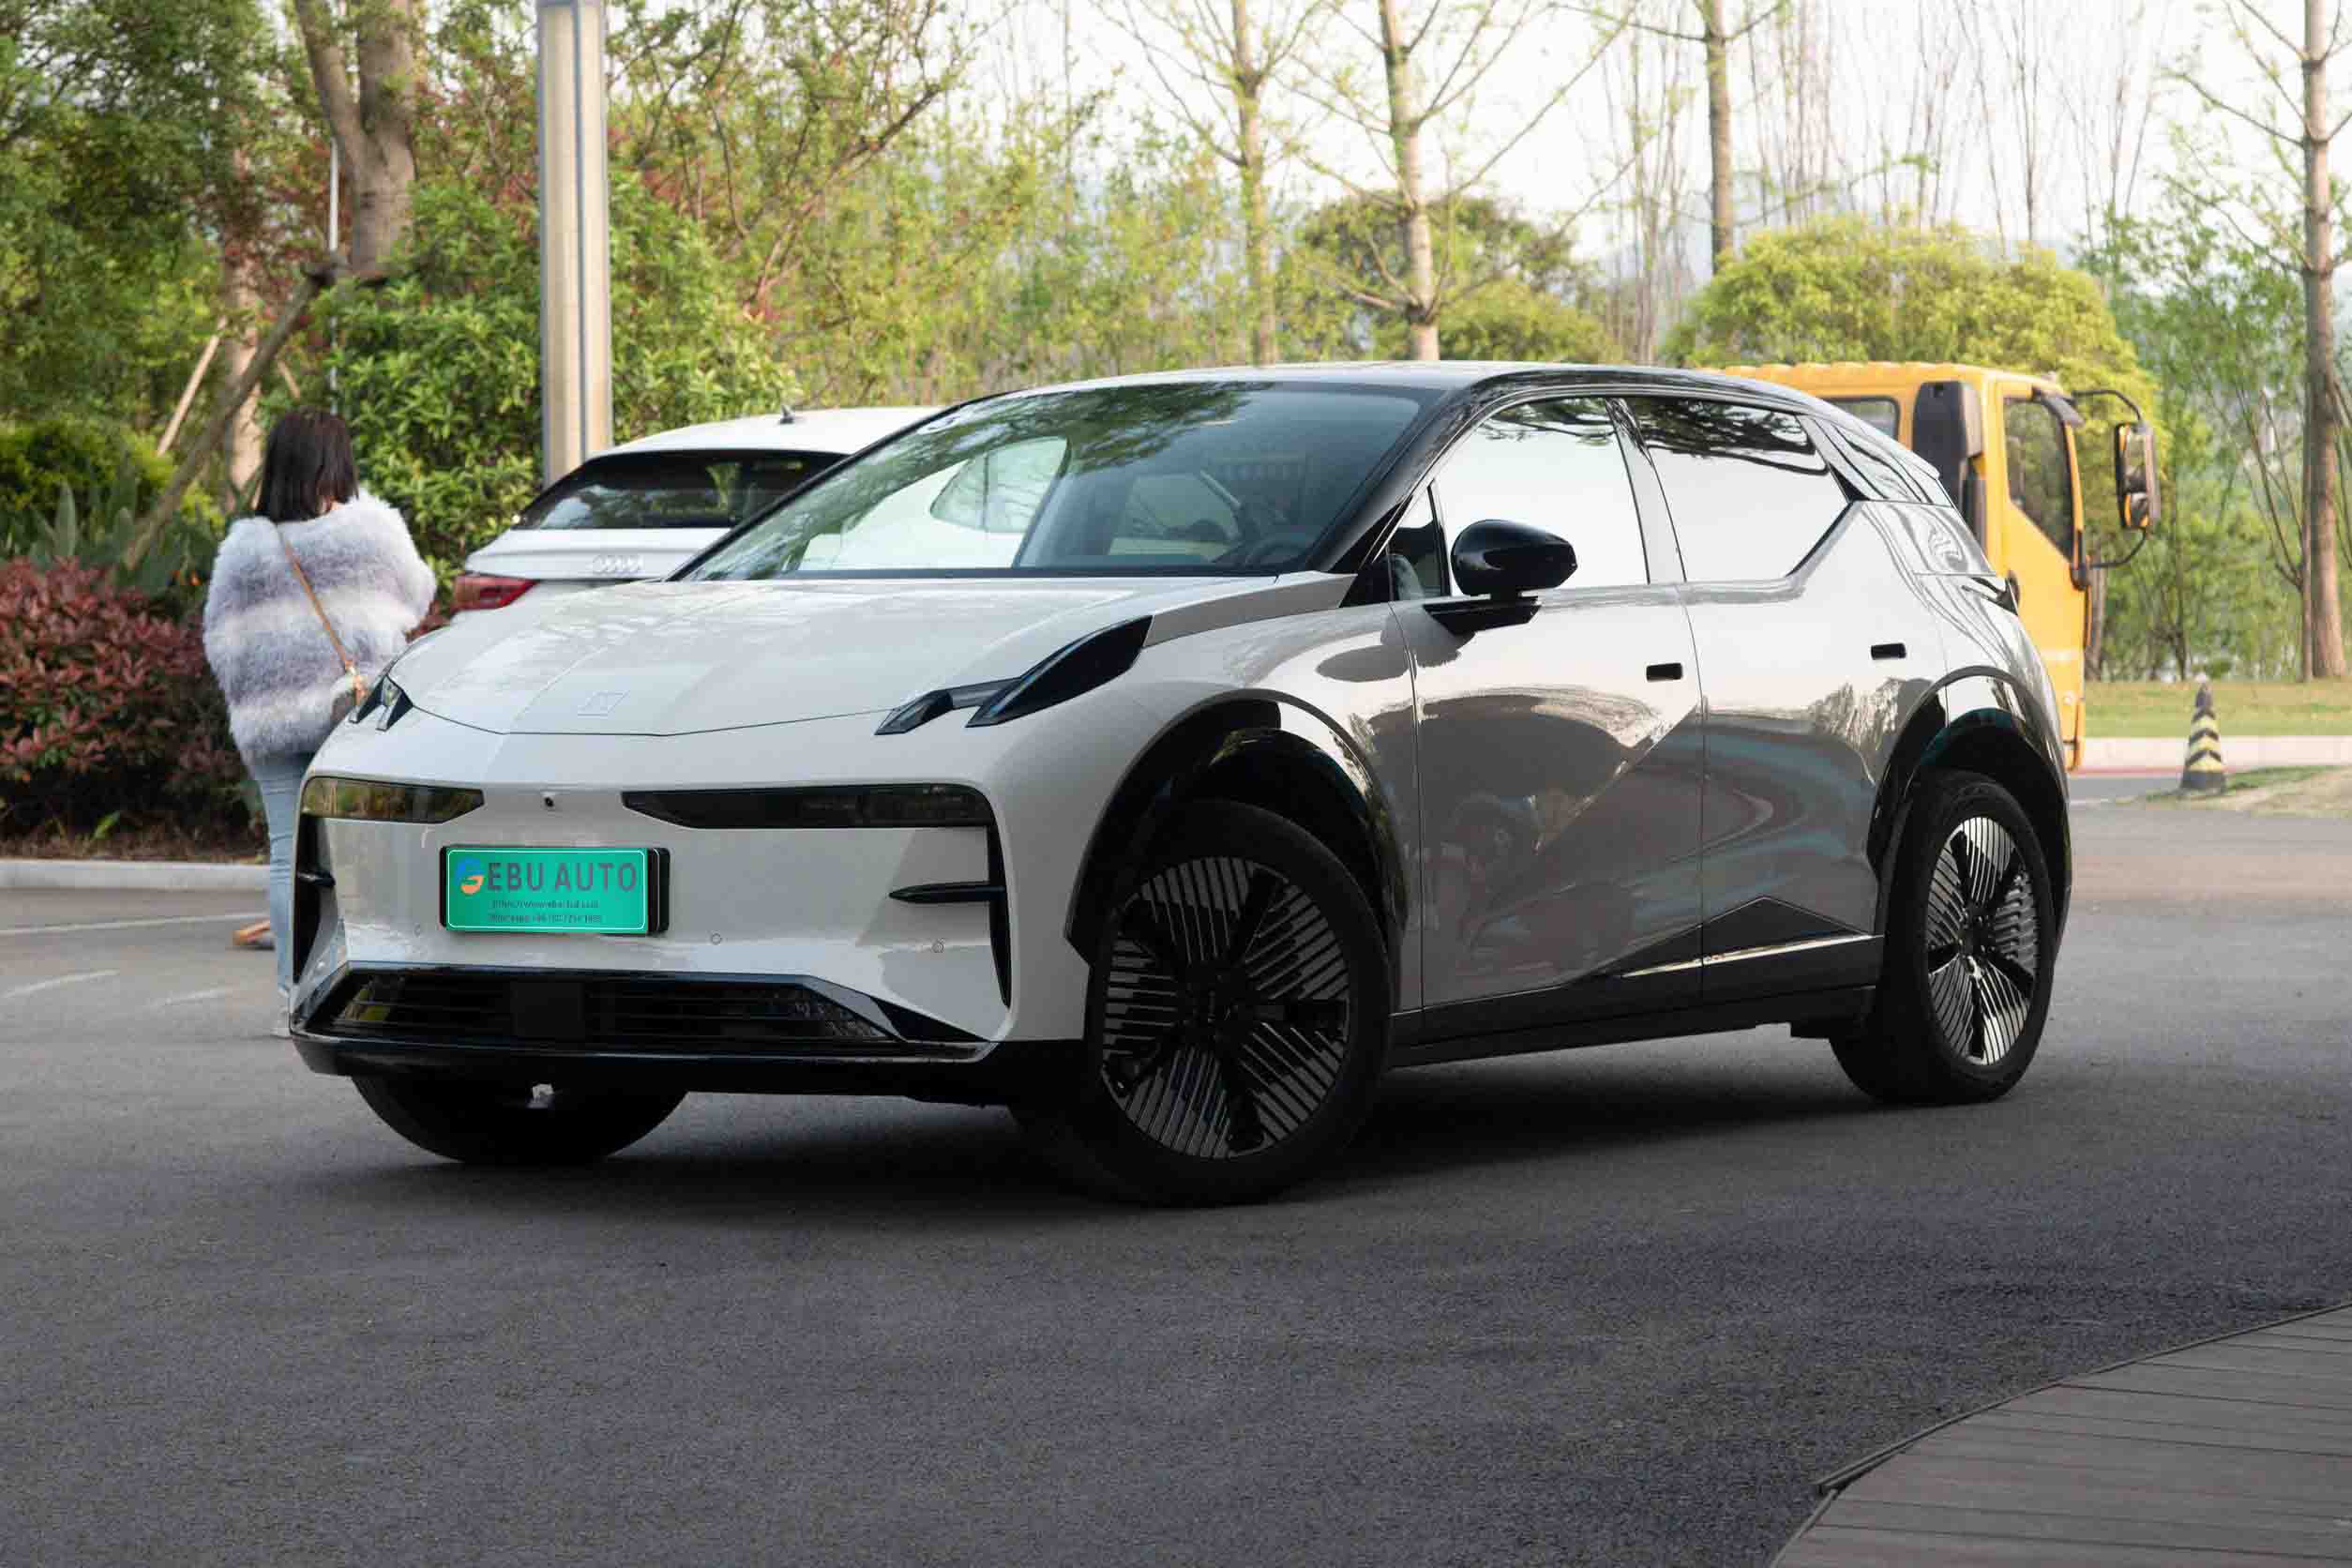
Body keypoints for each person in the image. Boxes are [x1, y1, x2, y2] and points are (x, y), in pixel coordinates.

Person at [203, 410, 435, 1036]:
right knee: (363, 856)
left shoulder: (244, 548)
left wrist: (258, 693)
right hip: (350, 716)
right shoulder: (374, 532)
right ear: (338, 462)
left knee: (287, 856)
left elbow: (218, 639)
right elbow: (418, 598)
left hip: (271, 723)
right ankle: (370, 996)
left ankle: (294, 998)